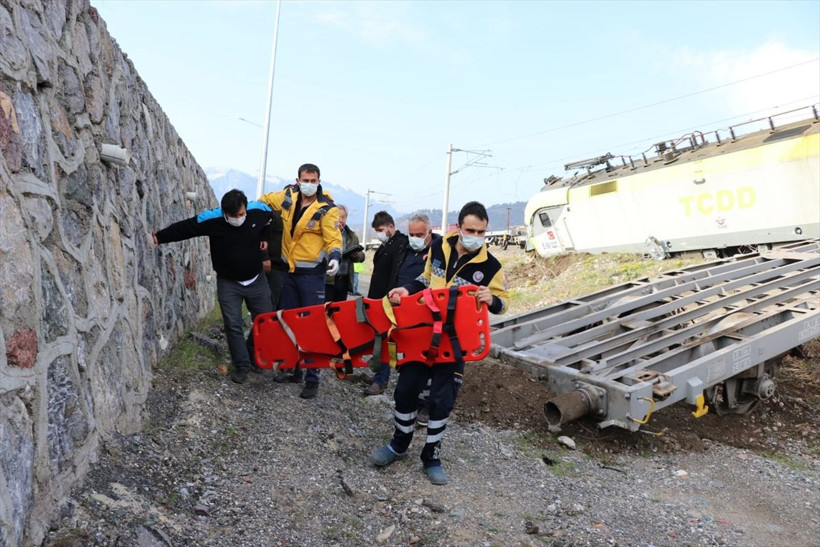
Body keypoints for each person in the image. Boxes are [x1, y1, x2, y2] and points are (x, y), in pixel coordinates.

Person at [370, 201, 509, 485]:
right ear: (458, 228)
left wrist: (491, 300)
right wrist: (406, 289)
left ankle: (431, 456)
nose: (475, 236)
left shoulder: (491, 265)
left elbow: (504, 303)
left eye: (481, 232)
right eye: (470, 230)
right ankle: (398, 445)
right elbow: (424, 279)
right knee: (406, 391)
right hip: (421, 332)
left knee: (442, 401)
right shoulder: (438, 247)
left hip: (455, 340)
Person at [153, 189, 273, 384]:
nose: (238, 219)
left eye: (242, 215)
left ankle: (252, 355)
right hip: (228, 282)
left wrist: (265, 238)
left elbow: (271, 218)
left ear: (245, 208)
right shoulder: (212, 218)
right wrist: (159, 237)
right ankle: (241, 365)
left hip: (256, 280)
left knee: (265, 321)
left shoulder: (258, 210)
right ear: (224, 213)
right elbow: (186, 228)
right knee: (233, 324)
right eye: (233, 216)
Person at [259, 163, 342, 399]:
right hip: (290, 273)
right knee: (289, 322)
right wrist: (261, 225)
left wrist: (335, 256)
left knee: (313, 327)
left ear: (318, 181)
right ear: (298, 180)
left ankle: (312, 378)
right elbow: (264, 200)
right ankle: (293, 369)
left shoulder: (327, 209)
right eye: (305, 180)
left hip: (312, 276)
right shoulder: (288, 197)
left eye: (313, 180)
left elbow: (333, 238)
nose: (309, 184)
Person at [363, 213, 440, 396]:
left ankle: (420, 391)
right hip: (395, 302)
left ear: (429, 232)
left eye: (419, 235)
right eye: (412, 234)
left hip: (419, 308)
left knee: (416, 348)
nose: (415, 239)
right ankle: (380, 379)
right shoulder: (404, 248)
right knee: (385, 339)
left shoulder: (438, 253)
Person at [325, 204, 365, 302]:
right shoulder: (326, 233)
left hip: (344, 280)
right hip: (328, 281)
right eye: (337, 217)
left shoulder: (352, 236)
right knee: (325, 310)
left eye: (343, 217)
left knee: (340, 311)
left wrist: (356, 256)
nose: (340, 220)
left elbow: (362, 256)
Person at [261, 208, 287, 310]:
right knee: (270, 304)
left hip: (294, 268)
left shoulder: (303, 214)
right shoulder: (276, 214)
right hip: (275, 266)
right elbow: (262, 236)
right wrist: (265, 257)